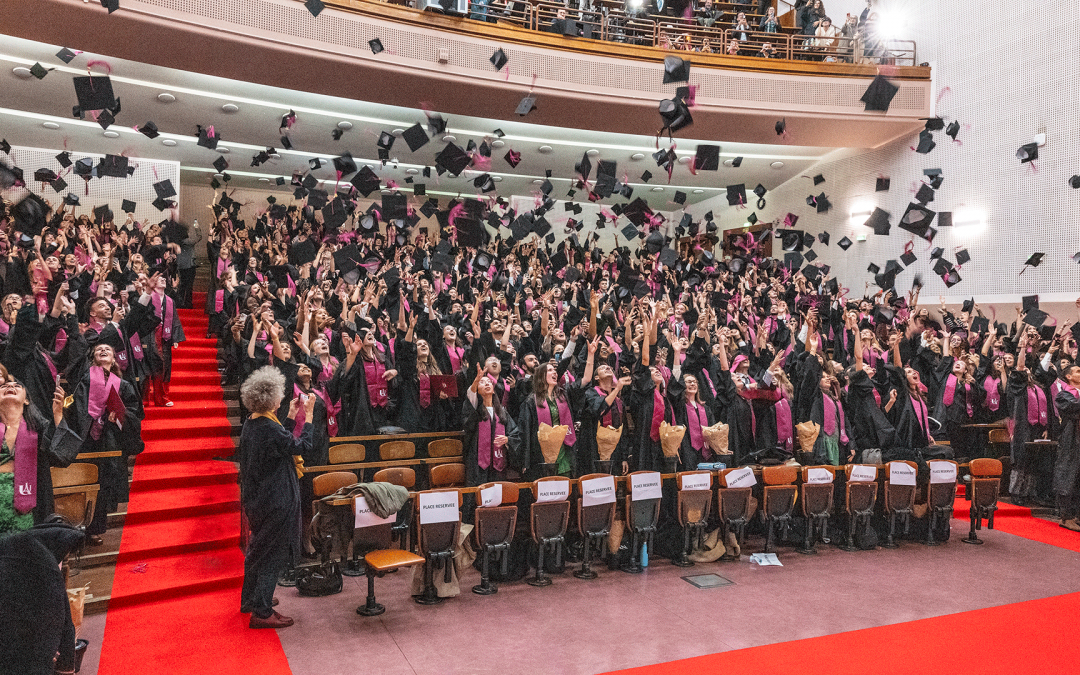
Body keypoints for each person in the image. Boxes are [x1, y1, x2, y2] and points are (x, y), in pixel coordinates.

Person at [238, 365, 313, 629]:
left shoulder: (255, 420)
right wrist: (309, 418)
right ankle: (262, 610)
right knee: (273, 554)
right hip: (275, 500)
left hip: (259, 499)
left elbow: (281, 440)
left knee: (257, 550)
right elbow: (300, 446)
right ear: (271, 398)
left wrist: (292, 416)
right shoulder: (268, 428)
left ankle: (251, 599)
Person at [1053, 364, 1080, 531]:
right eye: (1077, 370)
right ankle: (1066, 516)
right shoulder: (1064, 395)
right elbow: (1074, 407)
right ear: (1068, 377)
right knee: (1068, 478)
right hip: (1071, 441)